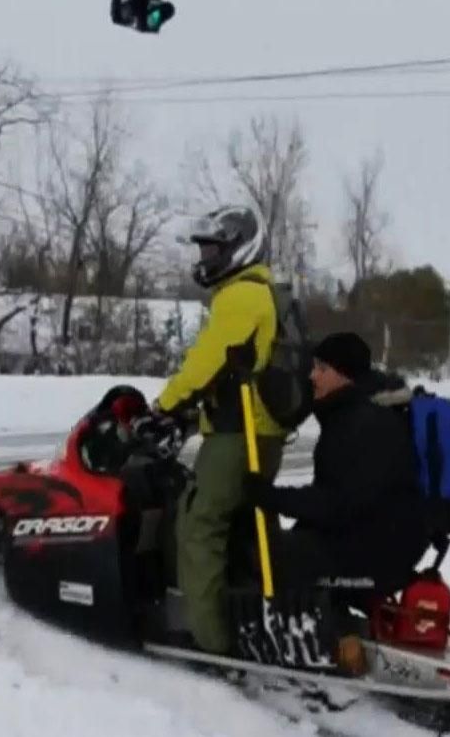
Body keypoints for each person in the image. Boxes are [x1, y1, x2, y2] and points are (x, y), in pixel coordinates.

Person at [153, 204, 287, 655]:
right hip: (262, 433)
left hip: (237, 436)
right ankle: (252, 619)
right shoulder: (267, 292)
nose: (205, 258)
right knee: (245, 525)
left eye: (212, 249)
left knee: (199, 526)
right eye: (204, 249)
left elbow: (204, 363)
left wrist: (164, 406)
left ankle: (210, 640)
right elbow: (236, 368)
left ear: (239, 249)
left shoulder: (240, 296)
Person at [243, 332, 430, 600]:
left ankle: (305, 622)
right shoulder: (351, 413)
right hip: (374, 538)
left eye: (322, 369)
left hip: (380, 553)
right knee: (281, 545)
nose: (312, 376)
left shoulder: (363, 423)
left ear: (346, 375)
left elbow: (336, 503)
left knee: (264, 556)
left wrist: (272, 497)